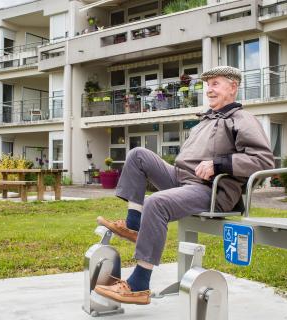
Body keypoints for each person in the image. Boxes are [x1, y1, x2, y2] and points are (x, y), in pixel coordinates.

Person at [94, 66, 275, 305]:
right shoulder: (206, 119)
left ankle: (139, 285)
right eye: (207, 84)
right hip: (181, 178)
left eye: (216, 84)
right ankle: (133, 224)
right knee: (138, 154)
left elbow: (262, 161)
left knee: (156, 202)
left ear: (233, 87)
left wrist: (218, 165)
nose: (209, 89)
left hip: (211, 190)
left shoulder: (241, 119)